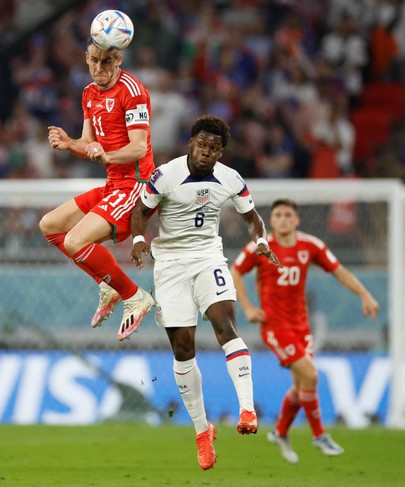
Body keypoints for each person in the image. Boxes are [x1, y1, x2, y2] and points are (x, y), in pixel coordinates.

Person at [130, 115, 281, 471]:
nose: (206, 152)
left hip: (208, 257)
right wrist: (139, 240)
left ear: (221, 152)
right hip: (169, 265)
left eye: (214, 148)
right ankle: (202, 430)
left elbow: (252, 217)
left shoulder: (230, 178)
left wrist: (260, 240)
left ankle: (247, 408)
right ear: (190, 144)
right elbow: (141, 212)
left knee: (226, 326)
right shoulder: (165, 175)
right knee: (184, 349)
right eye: (202, 145)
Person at [230, 199, 380, 464]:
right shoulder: (261, 246)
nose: (283, 219)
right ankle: (319, 435)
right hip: (275, 326)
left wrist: (365, 294)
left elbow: (339, 271)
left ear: (297, 220)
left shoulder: (311, 245)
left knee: (302, 388)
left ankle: (279, 433)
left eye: (288, 214)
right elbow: (235, 271)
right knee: (311, 374)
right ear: (271, 221)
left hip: (301, 325)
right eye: (278, 215)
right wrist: (248, 307)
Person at [39, 39, 155, 341]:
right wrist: (70, 144)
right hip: (113, 184)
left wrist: (107, 156)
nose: (98, 68)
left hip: (135, 185)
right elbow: (89, 144)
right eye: (93, 60)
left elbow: (139, 148)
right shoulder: (89, 94)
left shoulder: (132, 91)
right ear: (86, 58)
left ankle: (134, 296)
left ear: (119, 60)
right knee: (50, 225)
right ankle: (108, 285)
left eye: (106, 61)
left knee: (77, 241)